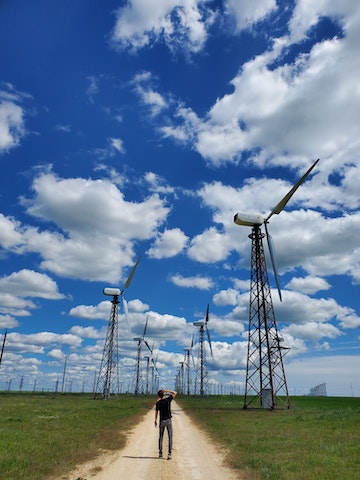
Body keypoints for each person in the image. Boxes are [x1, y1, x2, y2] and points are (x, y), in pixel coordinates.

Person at [154, 388, 177, 459]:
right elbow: (175, 393)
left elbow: (157, 412)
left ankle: (160, 453)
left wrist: (155, 420)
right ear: (164, 394)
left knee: (161, 437)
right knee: (170, 436)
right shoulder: (167, 400)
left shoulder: (158, 403)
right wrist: (167, 390)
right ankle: (169, 454)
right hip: (168, 420)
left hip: (161, 421)